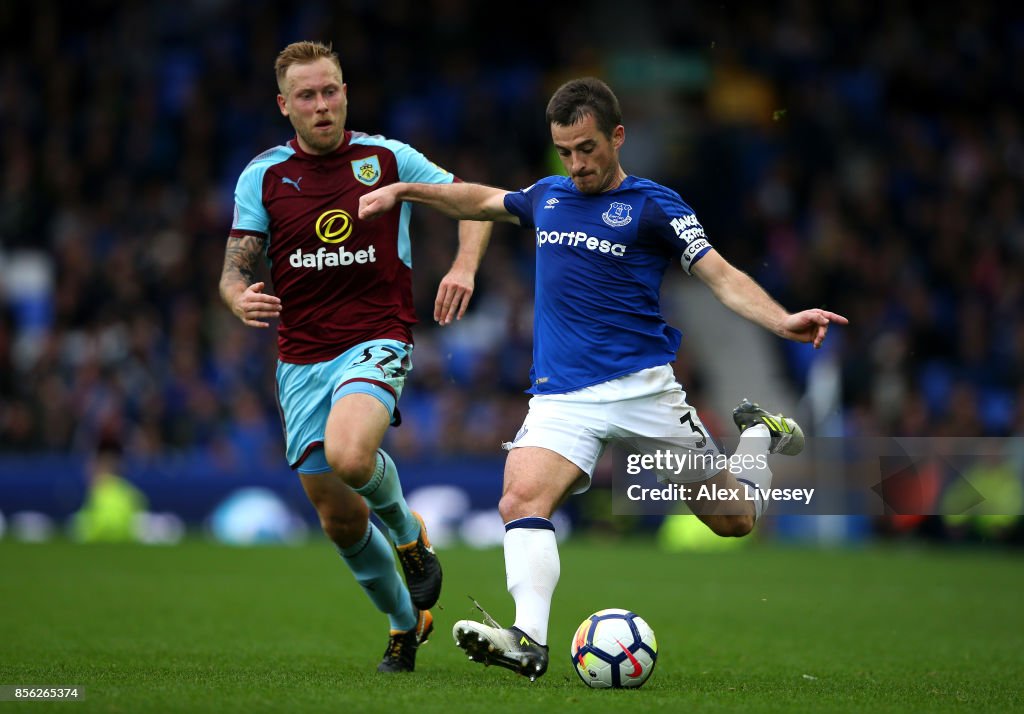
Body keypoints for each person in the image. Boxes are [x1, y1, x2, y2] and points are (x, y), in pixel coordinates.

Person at [359, 77, 848, 680]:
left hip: (644, 389)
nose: (577, 163)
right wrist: (406, 190)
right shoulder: (548, 196)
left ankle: (757, 438)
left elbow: (719, 275)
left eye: (587, 148)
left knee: (735, 520)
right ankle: (528, 640)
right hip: (563, 394)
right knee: (519, 499)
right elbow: (477, 201)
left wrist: (782, 320)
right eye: (565, 151)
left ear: (617, 137)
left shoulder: (655, 207)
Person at [219, 41, 491, 673]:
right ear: (285, 106)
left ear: (345, 92)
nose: (322, 105)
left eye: (331, 91)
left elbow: (478, 201)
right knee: (338, 519)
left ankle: (409, 534)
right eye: (307, 96)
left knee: (350, 455)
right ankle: (405, 621)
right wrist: (237, 297)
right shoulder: (262, 175)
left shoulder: (386, 158)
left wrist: (464, 264)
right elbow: (236, 265)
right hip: (301, 357)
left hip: (376, 336)